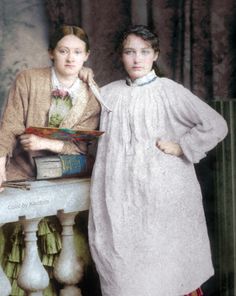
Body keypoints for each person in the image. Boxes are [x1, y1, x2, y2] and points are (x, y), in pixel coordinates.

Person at [88, 25, 228, 296]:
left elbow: (216, 124)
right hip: (120, 199)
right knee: (125, 275)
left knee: (164, 272)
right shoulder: (108, 95)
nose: (136, 59)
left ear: (155, 55)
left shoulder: (169, 91)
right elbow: (81, 124)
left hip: (162, 201)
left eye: (144, 51)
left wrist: (182, 147)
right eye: (129, 52)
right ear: (121, 56)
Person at [0, 25, 101, 295]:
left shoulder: (91, 95)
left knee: (66, 260)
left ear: (87, 56)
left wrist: (47, 143)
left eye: (77, 52)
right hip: (21, 171)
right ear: (51, 53)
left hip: (62, 177)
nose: (70, 58)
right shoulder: (29, 79)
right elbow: (9, 126)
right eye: (63, 51)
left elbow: (82, 148)